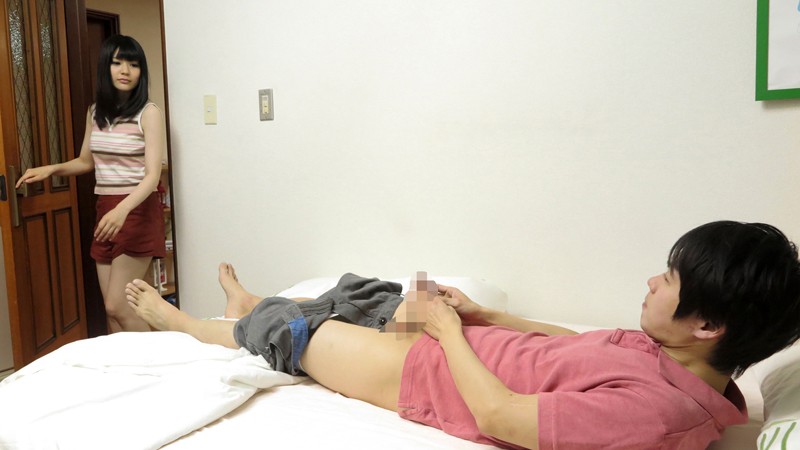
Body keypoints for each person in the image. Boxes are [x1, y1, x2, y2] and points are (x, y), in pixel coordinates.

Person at [125, 221, 800, 449]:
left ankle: (187, 322)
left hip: (423, 375)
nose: (653, 281)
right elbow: (573, 344)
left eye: (670, 279)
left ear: (708, 325)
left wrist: (449, 334)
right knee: (364, 290)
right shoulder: (678, 357)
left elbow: (500, 416)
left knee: (297, 331)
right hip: (454, 344)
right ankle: (246, 301)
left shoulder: (659, 414)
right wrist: (485, 316)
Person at [17, 35, 166, 332]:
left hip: (136, 209)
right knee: (112, 313)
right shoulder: (95, 112)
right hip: (105, 209)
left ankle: (156, 357)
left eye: (134, 64)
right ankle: (124, 361)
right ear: (105, 67)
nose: (125, 70)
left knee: (118, 305)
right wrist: (51, 169)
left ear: (141, 71)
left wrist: (122, 210)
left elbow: (152, 176)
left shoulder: (148, 113)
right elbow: (86, 161)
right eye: (117, 62)